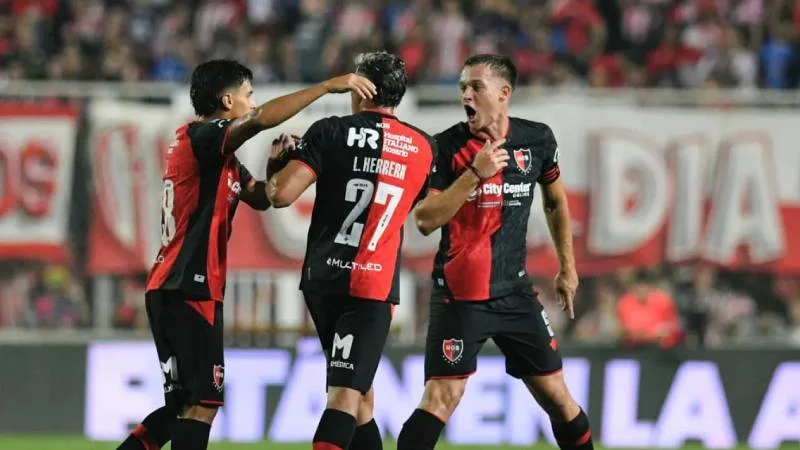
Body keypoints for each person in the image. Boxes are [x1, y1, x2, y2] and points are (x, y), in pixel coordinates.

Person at [117, 59, 376, 450]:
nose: (252, 102)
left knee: (181, 407)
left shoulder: (215, 156)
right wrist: (325, 87)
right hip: (189, 285)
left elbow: (261, 198)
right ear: (227, 100)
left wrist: (275, 168)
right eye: (248, 94)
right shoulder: (204, 137)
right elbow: (259, 120)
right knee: (203, 403)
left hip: (173, 286)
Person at [396, 54, 594, 450]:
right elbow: (425, 219)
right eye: (462, 88)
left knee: (557, 397)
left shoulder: (537, 139)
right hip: (460, 296)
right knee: (441, 398)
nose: (466, 95)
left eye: (476, 87)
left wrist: (566, 268)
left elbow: (555, 201)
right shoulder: (446, 147)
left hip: (514, 293)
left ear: (504, 94)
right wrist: (474, 174)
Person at [266, 51, 434, 450]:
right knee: (345, 396)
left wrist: (277, 165)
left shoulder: (330, 131)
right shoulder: (423, 148)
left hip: (323, 282)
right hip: (371, 288)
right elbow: (428, 216)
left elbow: (280, 195)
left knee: (361, 400)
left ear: (360, 89)